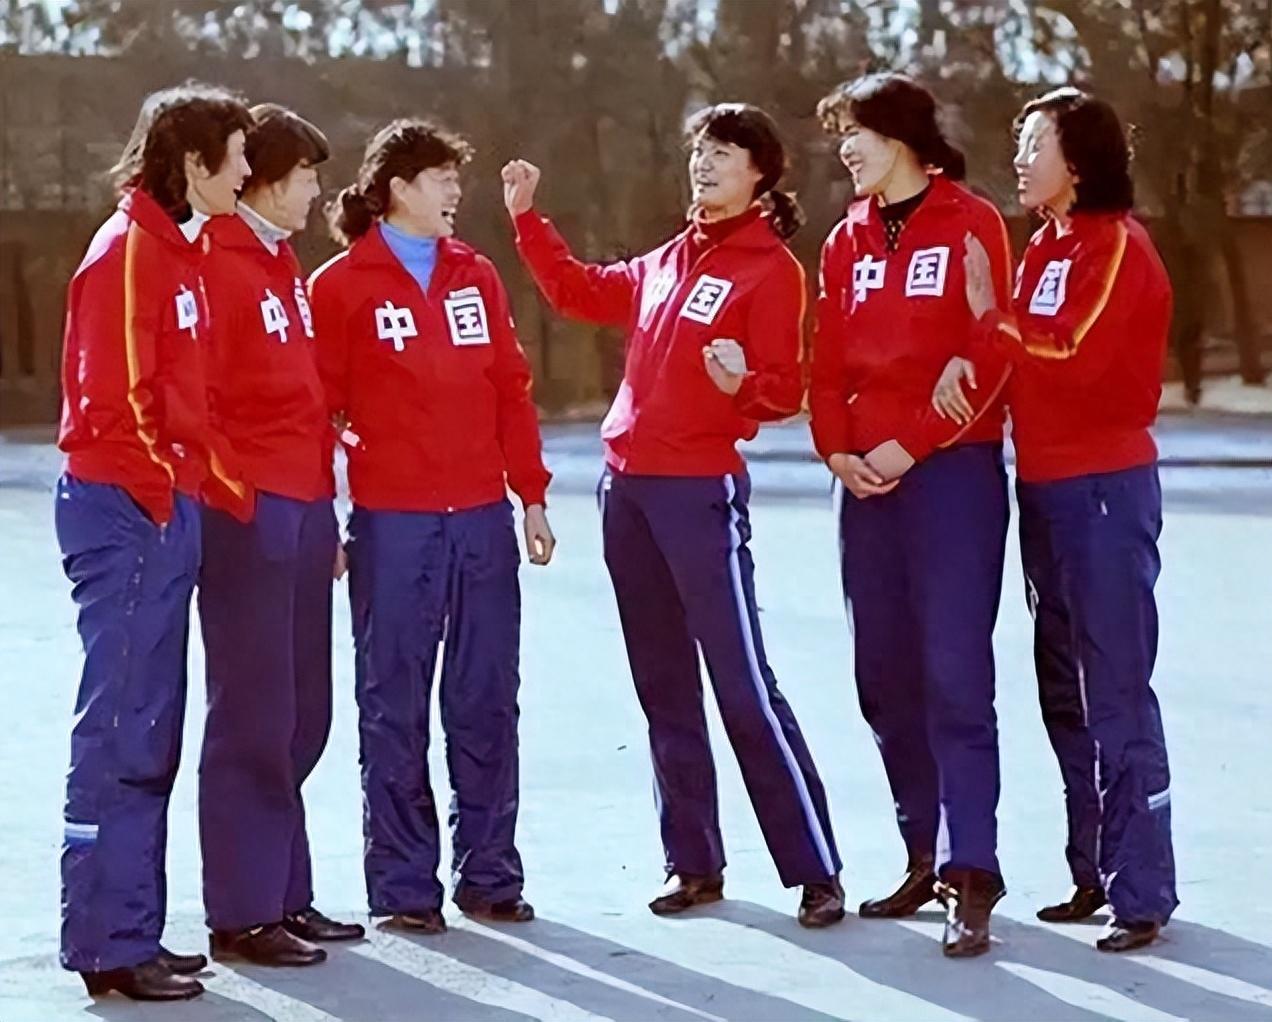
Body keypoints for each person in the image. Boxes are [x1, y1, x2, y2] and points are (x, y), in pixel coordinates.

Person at [502, 102, 844, 928]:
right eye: (700, 150)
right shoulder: (666, 261)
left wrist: (740, 384)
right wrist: (527, 222)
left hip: (699, 493)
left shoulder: (770, 269)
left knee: (742, 686)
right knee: (662, 686)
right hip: (627, 491)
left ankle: (815, 869)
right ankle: (693, 863)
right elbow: (580, 291)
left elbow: (784, 391)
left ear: (759, 174)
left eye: (723, 153)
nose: (704, 163)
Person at [310, 118, 554, 933]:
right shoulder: (341, 287)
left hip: (482, 520)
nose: (456, 192)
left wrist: (531, 494)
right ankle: (405, 885)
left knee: (487, 699)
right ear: (398, 188)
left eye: (456, 178)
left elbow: (510, 389)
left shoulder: (474, 275)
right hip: (393, 526)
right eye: (442, 178)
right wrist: (325, 514)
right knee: (393, 703)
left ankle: (490, 875)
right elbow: (317, 411)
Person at [959, 86, 1177, 953]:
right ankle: (1094, 868)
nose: (1018, 158)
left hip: (1104, 492)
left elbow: (1071, 350)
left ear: (1076, 160)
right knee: (1065, 691)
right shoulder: (1042, 247)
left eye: (1033, 142)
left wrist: (990, 316)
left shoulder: (1116, 243)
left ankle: (1142, 891)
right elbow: (1017, 355)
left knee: (1115, 688)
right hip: (1044, 489)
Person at [809, 72, 1014, 957]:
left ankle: (973, 870)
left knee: (955, 674)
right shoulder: (844, 240)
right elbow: (825, 363)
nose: (844, 149)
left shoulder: (971, 221)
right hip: (863, 487)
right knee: (883, 675)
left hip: (950, 477)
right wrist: (836, 451)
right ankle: (922, 854)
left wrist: (913, 444)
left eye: (854, 131)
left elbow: (990, 352)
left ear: (898, 136)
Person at [54, 81, 251, 1001]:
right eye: (235, 156)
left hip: (160, 510)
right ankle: (104, 942)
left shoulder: (181, 253)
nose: (245, 172)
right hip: (126, 509)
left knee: (151, 729)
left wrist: (214, 489)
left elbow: (187, 399)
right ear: (192, 162)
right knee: (121, 728)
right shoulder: (130, 248)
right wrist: (166, 493)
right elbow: (117, 396)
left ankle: (133, 929)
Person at [196, 102, 364, 967]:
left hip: (304, 509)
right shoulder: (215, 261)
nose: (315, 194)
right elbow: (203, 402)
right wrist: (243, 499)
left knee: (303, 712)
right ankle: (243, 909)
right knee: (252, 713)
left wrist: (323, 513)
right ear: (260, 180)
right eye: (304, 178)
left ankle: (285, 893)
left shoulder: (281, 263)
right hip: (250, 513)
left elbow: (305, 401)